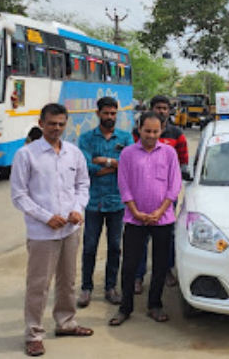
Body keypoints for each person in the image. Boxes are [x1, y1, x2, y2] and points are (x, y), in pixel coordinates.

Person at [11, 103, 93, 357]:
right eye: (51, 123)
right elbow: (19, 195)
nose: (57, 128)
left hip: (70, 229)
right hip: (42, 233)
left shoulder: (73, 153)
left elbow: (82, 185)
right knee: (39, 284)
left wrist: (78, 208)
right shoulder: (26, 155)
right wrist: (46, 217)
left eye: (61, 123)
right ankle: (34, 333)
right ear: (41, 123)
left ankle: (66, 322)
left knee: (68, 281)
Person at [109, 112, 182, 326]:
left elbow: (174, 185)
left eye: (155, 131)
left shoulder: (169, 153)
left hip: (163, 218)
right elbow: (124, 185)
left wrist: (160, 211)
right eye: (147, 130)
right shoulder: (128, 154)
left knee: (160, 265)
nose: (151, 135)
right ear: (139, 129)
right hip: (135, 219)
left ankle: (155, 305)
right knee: (130, 265)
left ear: (161, 131)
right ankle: (125, 308)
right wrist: (135, 211)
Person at [77, 97, 134, 308]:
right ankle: (86, 288)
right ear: (98, 113)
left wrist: (102, 160)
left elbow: (129, 165)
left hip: (117, 201)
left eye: (113, 113)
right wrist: (114, 165)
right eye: (106, 113)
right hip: (93, 202)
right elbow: (85, 166)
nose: (110, 117)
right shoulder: (86, 139)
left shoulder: (126, 138)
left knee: (115, 247)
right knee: (89, 247)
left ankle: (110, 287)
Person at [132, 95, 188, 293]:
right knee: (141, 240)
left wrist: (170, 195)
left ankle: (166, 271)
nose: (162, 111)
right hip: (139, 199)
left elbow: (182, 165)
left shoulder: (177, 133)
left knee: (166, 238)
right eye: (158, 107)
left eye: (165, 108)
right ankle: (138, 276)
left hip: (166, 199)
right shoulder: (138, 134)